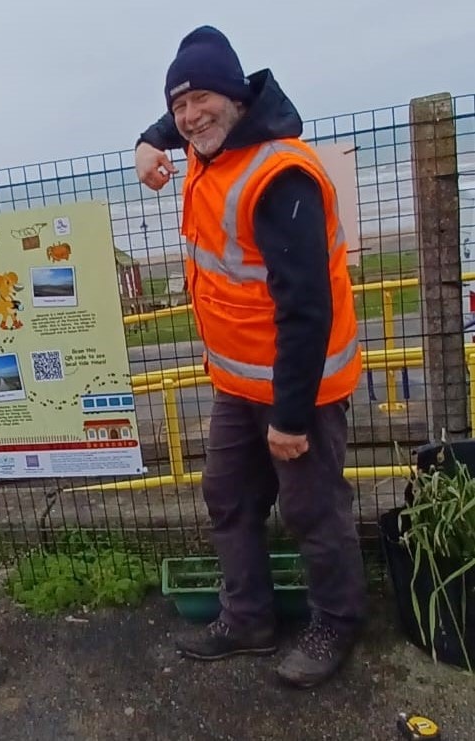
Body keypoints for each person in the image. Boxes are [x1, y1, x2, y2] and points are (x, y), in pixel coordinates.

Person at [134, 26, 364, 688]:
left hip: (301, 388)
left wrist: (289, 417)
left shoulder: (277, 173)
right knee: (227, 493)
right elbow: (185, 119)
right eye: (178, 106)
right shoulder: (212, 147)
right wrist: (150, 138)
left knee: (311, 508)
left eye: (200, 98)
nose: (188, 116)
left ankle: (336, 623)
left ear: (235, 96)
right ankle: (249, 618)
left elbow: (306, 309)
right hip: (237, 381)